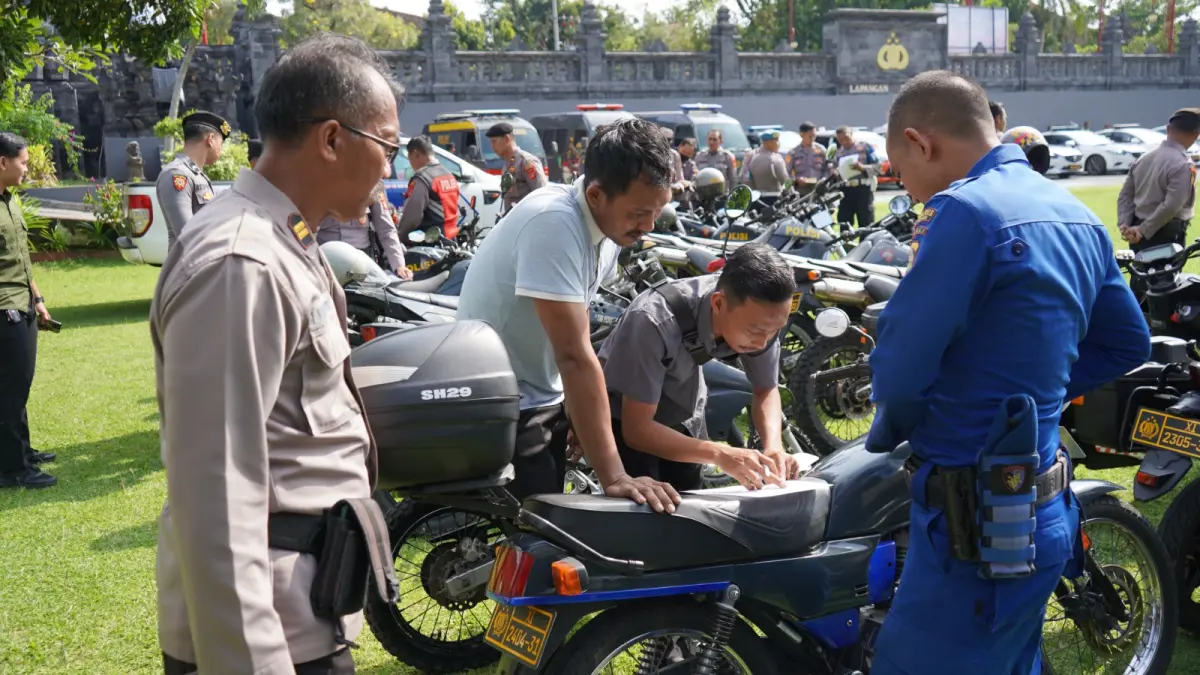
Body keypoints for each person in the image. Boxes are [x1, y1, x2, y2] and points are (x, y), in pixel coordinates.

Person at [867, 70, 1150, 675]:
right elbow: (1127, 341)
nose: (907, 189)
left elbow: (899, 366)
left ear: (921, 142)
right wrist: (1030, 400)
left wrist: (895, 432)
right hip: (1040, 507)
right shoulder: (1070, 209)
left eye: (900, 168)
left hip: (967, 519)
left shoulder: (964, 214)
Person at [151, 34, 404, 675]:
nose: (392, 171)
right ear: (331, 138)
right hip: (268, 634)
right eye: (389, 146)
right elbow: (217, 491)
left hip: (301, 609)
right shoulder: (244, 261)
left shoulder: (284, 239)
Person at [456, 117, 682, 512]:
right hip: (507, 398)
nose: (647, 226)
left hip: (540, 387)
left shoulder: (607, 229)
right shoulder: (555, 223)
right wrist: (614, 476)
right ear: (596, 195)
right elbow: (574, 355)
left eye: (656, 213)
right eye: (638, 213)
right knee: (541, 533)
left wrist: (575, 410)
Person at [598, 243, 803, 491]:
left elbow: (766, 389)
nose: (763, 343)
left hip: (684, 418)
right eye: (756, 331)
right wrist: (719, 454)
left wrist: (773, 447)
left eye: (774, 332)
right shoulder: (654, 319)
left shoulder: (759, 316)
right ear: (718, 304)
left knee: (689, 506)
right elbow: (636, 429)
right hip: (623, 421)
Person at [0, 132, 56, 490]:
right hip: (4, 309)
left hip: (23, 304)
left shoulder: (10, 200)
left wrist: (37, 299)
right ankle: (11, 468)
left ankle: (22, 451)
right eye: (22, 161)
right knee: (8, 388)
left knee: (19, 384)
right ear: (3, 162)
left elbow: (22, 259)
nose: (26, 168)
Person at [1117, 108, 1200, 251]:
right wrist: (1143, 230)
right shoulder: (1183, 164)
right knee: (1166, 273)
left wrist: (1125, 224)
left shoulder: (1143, 158)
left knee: (1140, 272)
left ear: (1168, 129)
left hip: (1136, 231)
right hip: (1165, 233)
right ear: (1196, 134)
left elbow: (1125, 195)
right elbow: (1171, 206)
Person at [315, 168, 409, 279]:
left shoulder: (373, 182)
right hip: (326, 258)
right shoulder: (318, 180)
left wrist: (399, 265)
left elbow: (386, 229)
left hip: (362, 259)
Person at [157, 111, 229, 252]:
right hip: (187, 269)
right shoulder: (177, 175)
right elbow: (187, 234)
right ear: (211, 139)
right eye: (221, 142)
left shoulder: (196, 175)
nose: (221, 149)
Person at [397, 135, 461, 244]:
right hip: (452, 239)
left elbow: (412, 217)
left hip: (432, 244)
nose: (411, 164)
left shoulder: (422, 178)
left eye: (410, 158)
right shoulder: (448, 175)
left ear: (415, 153)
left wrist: (399, 237)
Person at [829, 126, 881, 231]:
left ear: (851, 134)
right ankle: (847, 246)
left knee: (866, 221)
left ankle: (866, 245)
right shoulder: (838, 153)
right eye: (840, 140)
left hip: (863, 189)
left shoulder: (865, 147)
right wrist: (835, 173)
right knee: (844, 221)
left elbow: (878, 167)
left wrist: (863, 168)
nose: (844, 141)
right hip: (846, 190)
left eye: (846, 138)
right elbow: (835, 172)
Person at [487, 122, 547, 211]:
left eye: (494, 141)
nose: (491, 146)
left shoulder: (526, 162)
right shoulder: (507, 164)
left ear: (507, 139)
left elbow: (542, 194)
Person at [786, 122, 829, 197]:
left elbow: (827, 168)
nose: (813, 139)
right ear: (802, 135)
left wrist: (824, 179)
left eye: (814, 136)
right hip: (802, 191)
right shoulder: (793, 153)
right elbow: (787, 173)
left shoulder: (821, 150)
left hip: (819, 190)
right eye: (810, 136)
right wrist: (796, 179)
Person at [745, 130, 789, 202]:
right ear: (769, 143)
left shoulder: (753, 160)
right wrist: (792, 192)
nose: (779, 144)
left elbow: (748, 179)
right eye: (776, 141)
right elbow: (785, 180)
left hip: (758, 200)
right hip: (775, 199)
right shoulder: (776, 159)